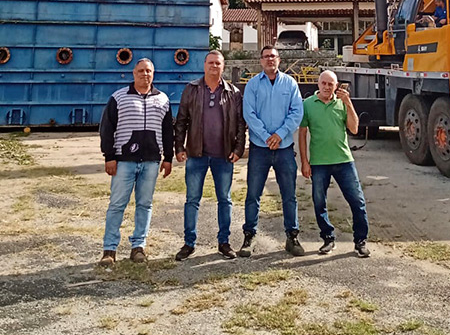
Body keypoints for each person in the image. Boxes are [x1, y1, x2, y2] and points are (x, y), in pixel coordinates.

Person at [98, 58, 173, 267]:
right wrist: (109, 157)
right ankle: (109, 249)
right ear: (133, 73)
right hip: (124, 162)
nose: (145, 74)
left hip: (151, 162)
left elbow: (168, 131)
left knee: (145, 204)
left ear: (153, 74)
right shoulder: (118, 98)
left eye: (148, 71)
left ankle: (138, 246)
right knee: (117, 205)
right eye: (141, 71)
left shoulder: (163, 100)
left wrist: (168, 158)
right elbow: (107, 129)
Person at [173, 50, 246, 261]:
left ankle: (224, 242)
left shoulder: (233, 92)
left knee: (224, 199)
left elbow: (241, 124)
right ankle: (189, 243)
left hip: (223, 156)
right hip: (197, 154)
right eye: (211, 63)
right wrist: (179, 147)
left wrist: (238, 149)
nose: (214, 66)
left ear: (223, 66)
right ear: (204, 65)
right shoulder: (192, 89)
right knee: (192, 200)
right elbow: (181, 120)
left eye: (218, 63)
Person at [239, 46, 306, 257]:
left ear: (279, 60)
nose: (270, 59)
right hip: (260, 148)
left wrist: (280, 134)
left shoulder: (290, 84)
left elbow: (297, 112)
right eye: (266, 56)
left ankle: (292, 236)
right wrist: (267, 136)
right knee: (253, 194)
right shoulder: (252, 85)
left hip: (284, 148)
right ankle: (249, 236)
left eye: (274, 56)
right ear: (260, 60)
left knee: (289, 195)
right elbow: (248, 113)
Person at [298, 71, 371, 257]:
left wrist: (348, 103)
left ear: (336, 86)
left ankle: (360, 241)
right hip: (319, 162)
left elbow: (354, 128)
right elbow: (302, 133)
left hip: (344, 160)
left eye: (331, 84)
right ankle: (328, 238)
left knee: (357, 201)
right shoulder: (307, 105)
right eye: (323, 83)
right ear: (318, 84)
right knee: (319, 202)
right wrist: (304, 161)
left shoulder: (342, 103)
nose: (326, 87)